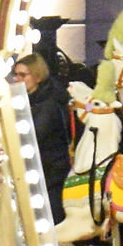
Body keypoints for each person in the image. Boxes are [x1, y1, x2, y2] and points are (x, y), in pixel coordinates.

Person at [15, 52, 73, 220]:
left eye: (22, 75)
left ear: (37, 76)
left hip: (50, 173)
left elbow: (34, 135)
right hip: (39, 170)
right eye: (16, 74)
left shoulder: (48, 105)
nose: (17, 79)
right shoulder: (28, 101)